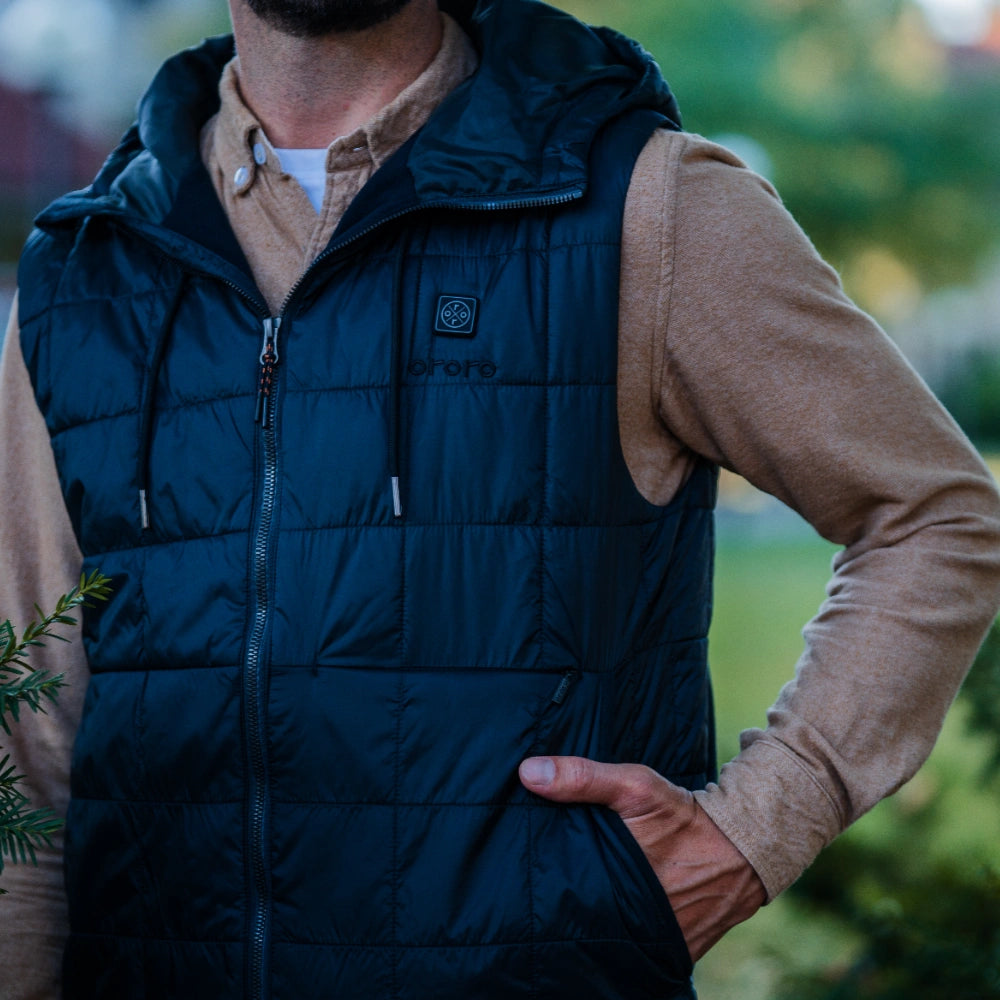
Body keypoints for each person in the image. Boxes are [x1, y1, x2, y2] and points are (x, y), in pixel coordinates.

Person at [2, 0, 999, 997]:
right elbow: (27, 740)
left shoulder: (644, 205)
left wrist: (753, 832)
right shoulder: (86, 269)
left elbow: (936, 516)